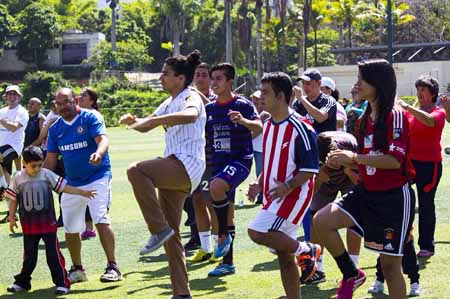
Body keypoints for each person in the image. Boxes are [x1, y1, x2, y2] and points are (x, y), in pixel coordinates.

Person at [314, 59, 415, 299]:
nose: (356, 84)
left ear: (378, 83)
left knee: (391, 269)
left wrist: (355, 157)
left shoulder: (395, 116)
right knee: (321, 220)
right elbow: (366, 160)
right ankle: (352, 273)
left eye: (362, 79)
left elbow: (393, 161)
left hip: (393, 199)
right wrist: (341, 161)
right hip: (366, 193)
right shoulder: (362, 119)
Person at [123, 50, 206, 299]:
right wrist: (133, 121)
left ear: (180, 78)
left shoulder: (191, 96)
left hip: (186, 165)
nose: (161, 78)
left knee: (136, 171)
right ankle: (182, 293)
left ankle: (157, 228)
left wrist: (157, 121)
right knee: (174, 236)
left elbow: (191, 116)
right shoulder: (169, 102)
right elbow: (147, 124)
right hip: (176, 167)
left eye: (166, 74)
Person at [246, 72, 320, 299]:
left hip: (293, 196)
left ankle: (306, 249)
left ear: (280, 96)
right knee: (283, 255)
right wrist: (259, 183)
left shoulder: (301, 127)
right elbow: (269, 163)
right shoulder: (268, 124)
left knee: (256, 231)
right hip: (274, 196)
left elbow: (310, 169)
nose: (260, 97)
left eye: (266, 93)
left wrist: (288, 186)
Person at [44, 87, 121, 284]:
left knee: (100, 218)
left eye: (66, 102)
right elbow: (50, 162)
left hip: (98, 176)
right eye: (58, 104)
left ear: (75, 100)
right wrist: (35, 179)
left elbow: (103, 139)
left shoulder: (89, 117)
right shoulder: (55, 129)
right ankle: (78, 269)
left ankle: (113, 266)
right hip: (72, 183)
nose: (62, 107)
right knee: (70, 227)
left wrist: (99, 153)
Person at [5, 146, 96, 295]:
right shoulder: (17, 177)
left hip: (48, 224)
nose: (37, 169)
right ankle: (22, 282)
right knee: (29, 256)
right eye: (33, 166)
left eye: (40, 165)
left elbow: (64, 187)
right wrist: (11, 217)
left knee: (53, 256)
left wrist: (82, 192)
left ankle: (62, 283)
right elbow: (13, 198)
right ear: (24, 163)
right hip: (29, 226)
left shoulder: (46, 175)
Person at [206, 63, 262, 276]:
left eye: (219, 78)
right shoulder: (209, 109)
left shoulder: (243, 104)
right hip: (219, 164)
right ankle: (227, 263)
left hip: (240, 160)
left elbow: (259, 128)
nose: (214, 82)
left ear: (230, 81)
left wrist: (243, 120)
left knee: (216, 187)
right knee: (227, 213)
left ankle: (221, 235)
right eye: (213, 78)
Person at [398, 75, 445, 258]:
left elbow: (429, 121)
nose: (419, 94)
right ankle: (403, 242)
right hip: (410, 164)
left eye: (423, 90)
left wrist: (407, 107)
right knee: (404, 202)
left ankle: (426, 245)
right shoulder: (410, 112)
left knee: (426, 205)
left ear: (432, 94)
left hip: (430, 166)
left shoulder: (438, 112)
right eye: (418, 90)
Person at [306, 131, 361, 285]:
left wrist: (347, 170)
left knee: (354, 217)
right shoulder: (309, 154)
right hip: (326, 181)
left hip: (349, 171)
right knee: (314, 215)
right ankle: (317, 268)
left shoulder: (349, 147)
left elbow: (360, 179)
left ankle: (353, 265)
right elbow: (311, 192)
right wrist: (322, 174)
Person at [189, 62, 220, 263]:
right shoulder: (188, 99)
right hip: (194, 159)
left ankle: (219, 247)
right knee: (197, 201)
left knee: (212, 203)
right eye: (197, 75)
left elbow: (210, 110)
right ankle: (205, 247)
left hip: (212, 158)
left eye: (203, 75)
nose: (199, 78)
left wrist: (194, 93)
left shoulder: (215, 98)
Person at [78, 87, 104, 240]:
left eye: (84, 95)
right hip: (79, 161)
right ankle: (86, 226)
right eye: (80, 95)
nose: (80, 97)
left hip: (93, 161)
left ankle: (91, 227)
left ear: (92, 101)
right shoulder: (77, 115)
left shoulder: (95, 115)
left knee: (92, 195)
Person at [0, 85, 29, 224]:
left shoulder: (21, 111)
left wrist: (1, 120)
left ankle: (4, 185)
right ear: (5, 97)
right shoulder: (2, 111)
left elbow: (13, 128)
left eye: (14, 94)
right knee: (8, 181)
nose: (12, 96)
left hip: (13, 147)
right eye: (9, 94)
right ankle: (11, 210)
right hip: (1, 148)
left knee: (5, 180)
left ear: (19, 96)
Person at [367, 229, 421, 297]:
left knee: (407, 247)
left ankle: (414, 283)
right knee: (385, 248)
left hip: (401, 221)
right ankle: (379, 280)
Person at [292, 69, 337, 133]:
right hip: (306, 142)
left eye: (308, 83)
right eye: (303, 83)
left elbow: (320, 118)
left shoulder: (329, 100)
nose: (305, 87)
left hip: (324, 142)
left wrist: (302, 98)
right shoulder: (298, 102)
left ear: (319, 83)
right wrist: (290, 99)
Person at [249, 90, 270, 205]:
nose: (256, 101)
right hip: (255, 147)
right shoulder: (253, 112)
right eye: (254, 99)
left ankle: (262, 196)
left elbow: (258, 130)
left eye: (258, 99)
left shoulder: (265, 114)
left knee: (260, 172)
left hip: (262, 147)